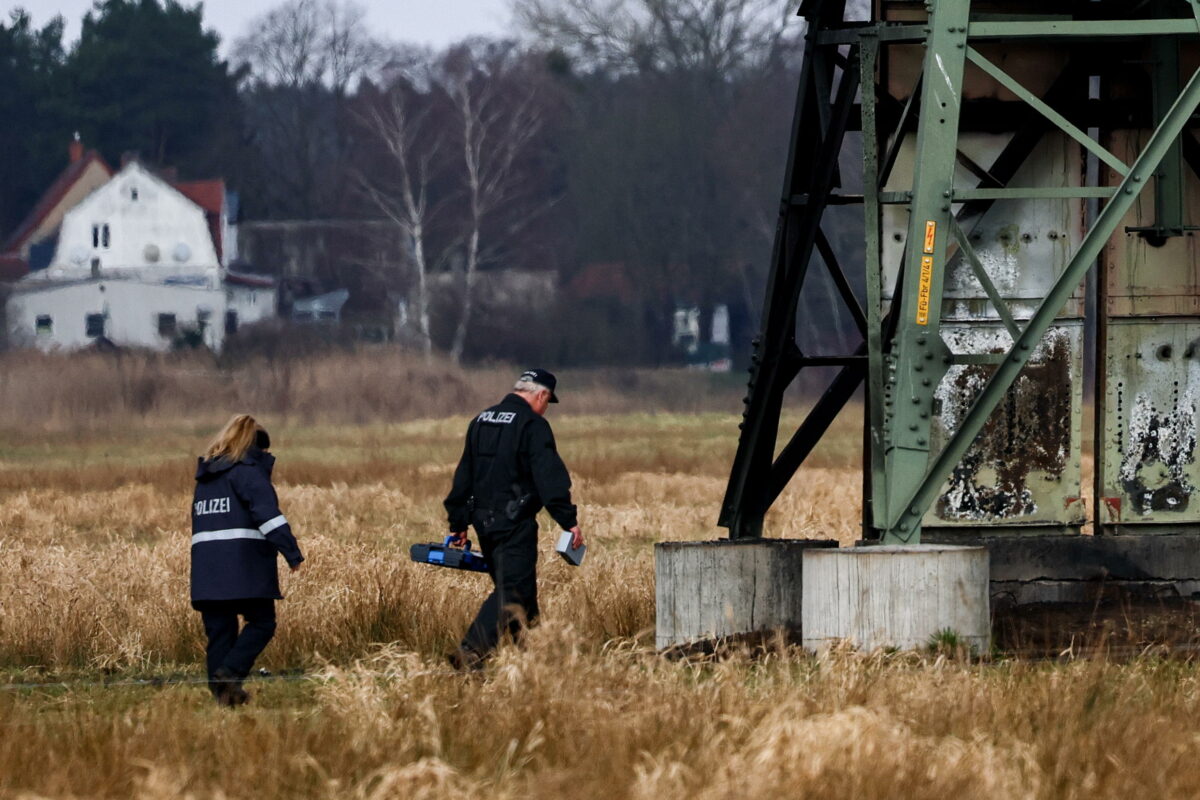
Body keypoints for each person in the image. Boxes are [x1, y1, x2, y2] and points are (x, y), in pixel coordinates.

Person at [444, 368, 584, 668]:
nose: (546, 408)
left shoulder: (481, 420)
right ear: (541, 394)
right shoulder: (532, 425)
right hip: (514, 524)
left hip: (484, 524)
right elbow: (549, 478)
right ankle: (472, 652)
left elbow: (464, 475)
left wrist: (458, 524)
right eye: (548, 402)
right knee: (513, 591)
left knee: (523, 594)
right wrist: (568, 521)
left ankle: (534, 659)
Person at [191, 414, 304, 706]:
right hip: (244, 570)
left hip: (207, 572)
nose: (266, 455)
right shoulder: (248, 471)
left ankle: (223, 698)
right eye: (263, 449)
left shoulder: (206, 478)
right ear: (253, 446)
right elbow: (269, 517)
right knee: (262, 622)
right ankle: (229, 674)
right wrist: (291, 552)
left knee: (220, 633)